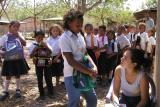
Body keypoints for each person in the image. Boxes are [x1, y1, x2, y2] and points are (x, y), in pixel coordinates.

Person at [59, 9, 97, 107]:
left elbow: (85, 53)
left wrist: (93, 66)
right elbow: (71, 61)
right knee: (74, 103)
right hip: (72, 76)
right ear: (69, 23)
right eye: (77, 25)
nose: (80, 27)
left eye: (81, 25)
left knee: (92, 99)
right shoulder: (64, 38)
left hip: (85, 72)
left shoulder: (80, 35)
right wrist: (89, 71)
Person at [0, 21, 29, 101]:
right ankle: (5, 91)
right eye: (14, 26)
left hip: (18, 58)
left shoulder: (19, 35)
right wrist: (2, 53)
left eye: (17, 27)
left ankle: (18, 90)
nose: (16, 28)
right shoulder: (5, 37)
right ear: (10, 27)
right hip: (8, 59)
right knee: (8, 75)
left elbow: (24, 43)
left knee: (17, 73)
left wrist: (18, 36)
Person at [28, 30, 54, 100]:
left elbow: (51, 52)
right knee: (39, 79)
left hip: (46, 63)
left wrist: (46, 46)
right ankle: (41, 94)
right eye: (38, 37)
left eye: (42, 38)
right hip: (38, 64)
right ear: (35, 37)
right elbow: (30, 56)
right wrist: (35, 49)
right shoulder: (33, 44)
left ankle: (51, 92)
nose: (40, 39)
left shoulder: (46, 43)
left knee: (48, 78)